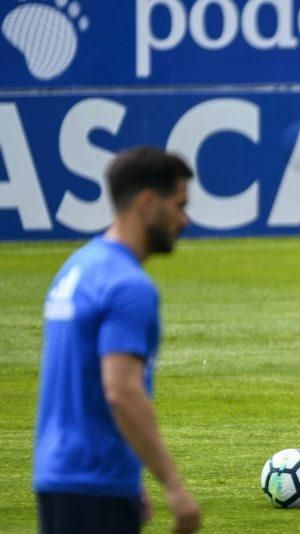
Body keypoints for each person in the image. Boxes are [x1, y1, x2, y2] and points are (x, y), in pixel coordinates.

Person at [33, 146, 202, 533]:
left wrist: (130, 477)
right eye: (178, 205)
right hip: (94, 481)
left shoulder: (78, 267)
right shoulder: (128, 286)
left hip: (57, 473)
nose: (185, 220)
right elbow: (121, 391)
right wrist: (173, 486)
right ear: (146, 203)